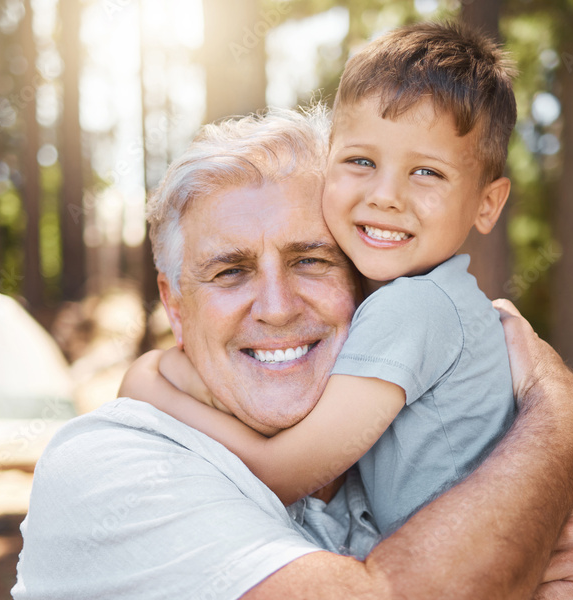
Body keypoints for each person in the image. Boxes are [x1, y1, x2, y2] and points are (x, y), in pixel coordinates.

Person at [12, 108, 573, 599]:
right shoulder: (108, 464)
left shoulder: (392, 438)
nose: (278, 305)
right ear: (173, 303)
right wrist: (562, 417)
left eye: (311, 261)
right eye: (229, 272)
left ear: (362, 280)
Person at [122, 22, 519, 535]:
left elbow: (280, 473)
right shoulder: (424, 300)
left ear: (488, 204)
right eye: (360, 161)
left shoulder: (414, 309)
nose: (385, 196)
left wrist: (153, 389)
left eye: (427, 172)